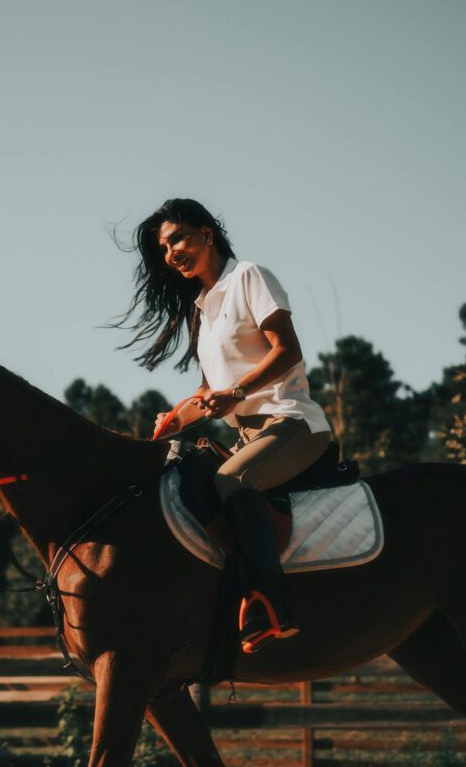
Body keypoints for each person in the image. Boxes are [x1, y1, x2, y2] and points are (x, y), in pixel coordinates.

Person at [121, 197, 331, 653]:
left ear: (206, 234)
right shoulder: (202, 308)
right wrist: (178, 415)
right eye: (163, 247)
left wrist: (235, 393)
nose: (170, 251)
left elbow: (288, 350)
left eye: (176, 237)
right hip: (247, 435)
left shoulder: (249, 277)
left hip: (292, 423)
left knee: (232, 478)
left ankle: (269, 605)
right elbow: (207, 393)